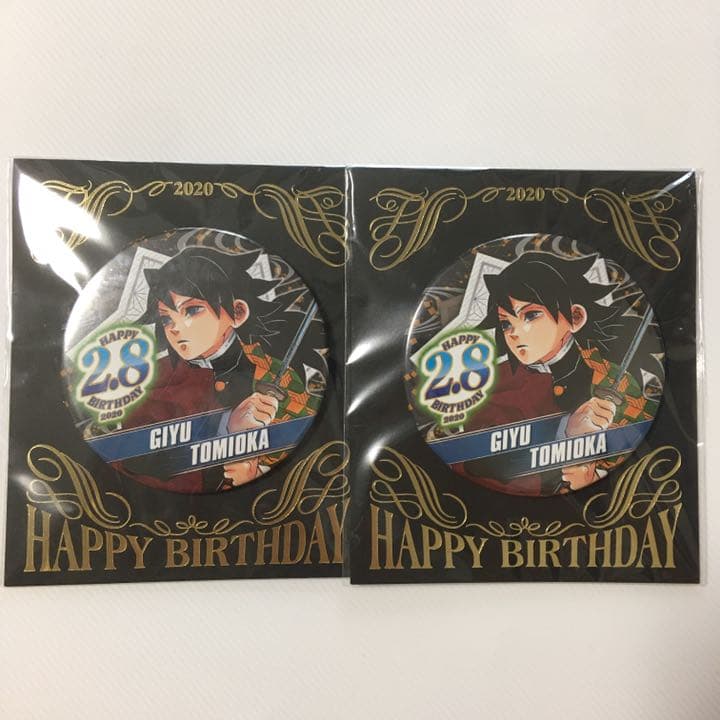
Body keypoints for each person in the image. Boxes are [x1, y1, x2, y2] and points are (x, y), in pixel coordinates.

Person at [117, 243, 322, 493]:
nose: (175, 328)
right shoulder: (154, 379)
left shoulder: (277, 377)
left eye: (192, 310)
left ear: (237, 312)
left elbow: (313, 461)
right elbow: (134, 461)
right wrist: (229, 433)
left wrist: (256, 473)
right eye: (167, 318)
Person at [458, 251, 659, 496]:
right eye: (506, 323)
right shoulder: (494, 383)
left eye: (531, 315)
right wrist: (566, 435)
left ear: (575, 317)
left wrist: (591, 477)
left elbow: (645, 461)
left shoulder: (615, 379)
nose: (514, 332)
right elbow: (478, 464)